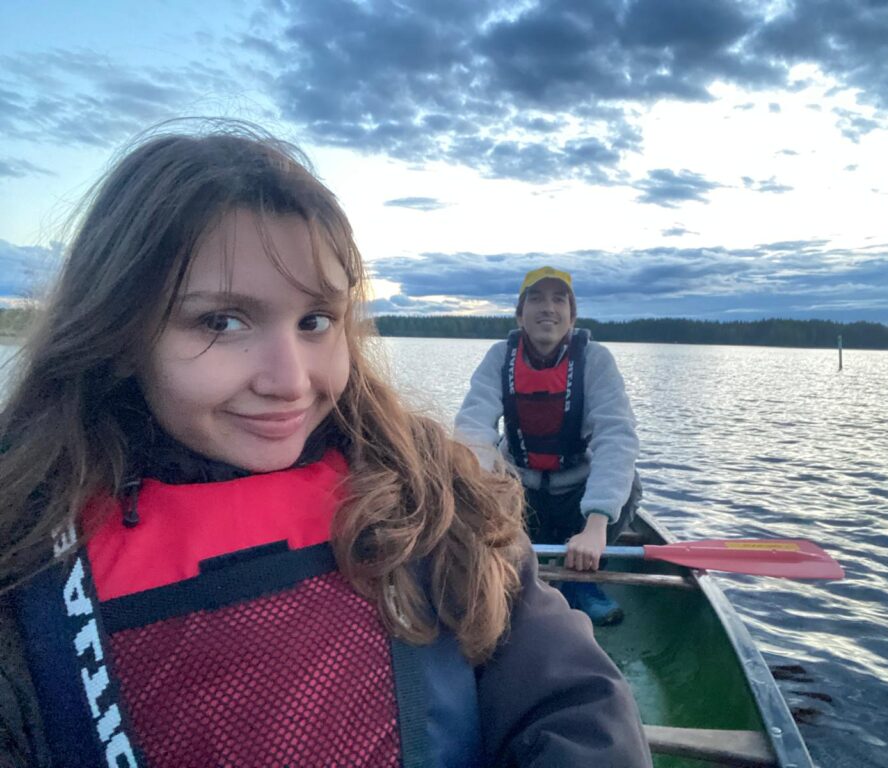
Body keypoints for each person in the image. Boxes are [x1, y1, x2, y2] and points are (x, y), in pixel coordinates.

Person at [0, 123, 651, 767]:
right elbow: (478, 428)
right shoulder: (25, 563)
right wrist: (486, 473)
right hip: (535, 488)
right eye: (221, 322)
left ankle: (589, 577)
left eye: (316, 321)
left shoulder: (428, 496)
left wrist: (595, 523)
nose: (290, 382)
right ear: (118, 329)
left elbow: (578, 704)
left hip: (581, 502)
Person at [455, 267, 642, 626]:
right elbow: (473, 428)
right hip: (519, 494)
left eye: (560, 299)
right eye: (536, 298)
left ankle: (581, 578)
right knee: (473, 475)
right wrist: (475, 497)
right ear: (519, 313)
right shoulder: (499, 358)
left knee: (628, 485)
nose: (548, 308)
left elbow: (616, 436)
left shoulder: (595, 360)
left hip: (575, 496)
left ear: (572, 315)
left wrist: (597, 524)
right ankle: (515, 572)